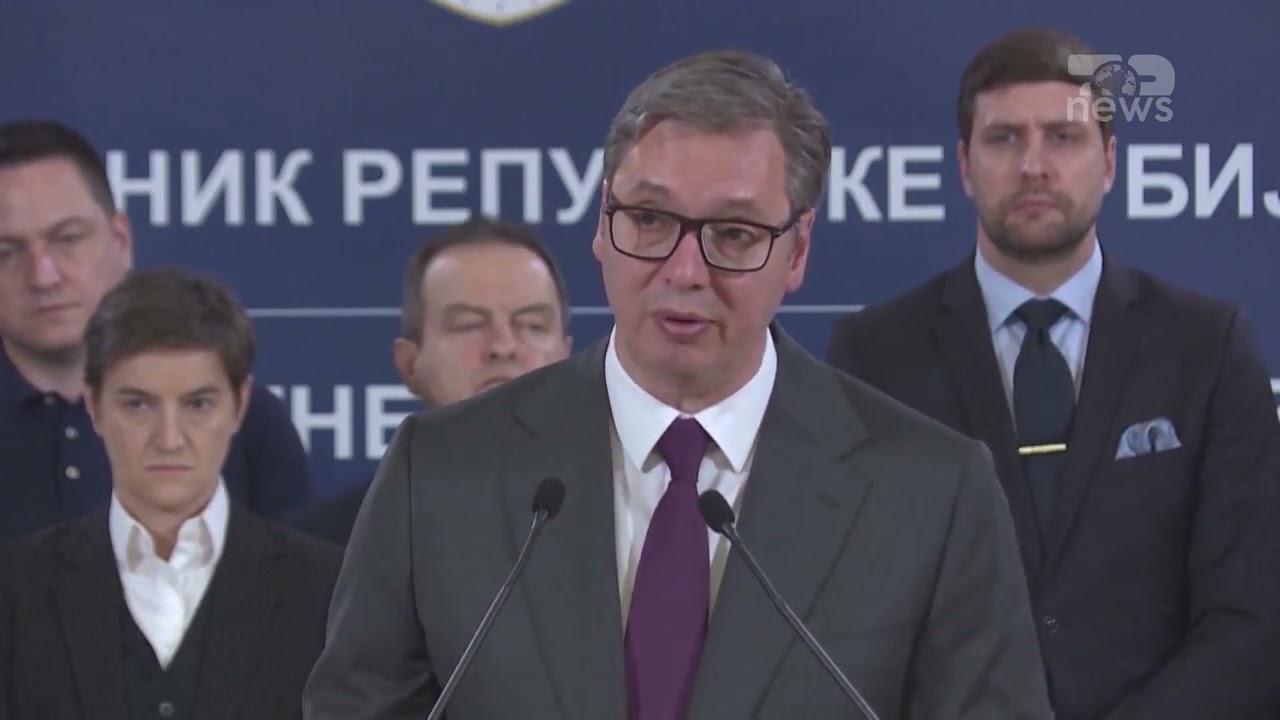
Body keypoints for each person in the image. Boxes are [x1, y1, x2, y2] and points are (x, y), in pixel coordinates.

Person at [301, 49, 1052, 719]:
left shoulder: (930, 493)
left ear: (797, 252)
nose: (684, 271)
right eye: (650, 220)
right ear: (602, 223)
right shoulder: (439, 474)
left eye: (734, 234)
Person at [825, 28, 1280, 720]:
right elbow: (850, 613)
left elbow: (1252, 619)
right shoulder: (874, 357)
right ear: (964, 165)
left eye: (1063, 138)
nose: (1033, 165)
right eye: (1004, 138)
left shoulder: (1208, 349)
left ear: (1110, 162)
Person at [0, 267, 343, 718]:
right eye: (137, 405)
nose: (168, 439)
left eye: (198, 404)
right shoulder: (15, 590)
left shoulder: (329, 590)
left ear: (239, 406)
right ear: (94, 407)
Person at [0, 119, 313, 540]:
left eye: (68, 239)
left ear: (121, 239)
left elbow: (299, 574)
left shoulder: (248, 421)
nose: (44, 276)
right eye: (6, 252)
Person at [288, 218, 574, 545]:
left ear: (566, 358)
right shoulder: (323, 546)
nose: (503, 346)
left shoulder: (616, 519)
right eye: (468, 324)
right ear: (409, 364)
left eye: (532, 325)